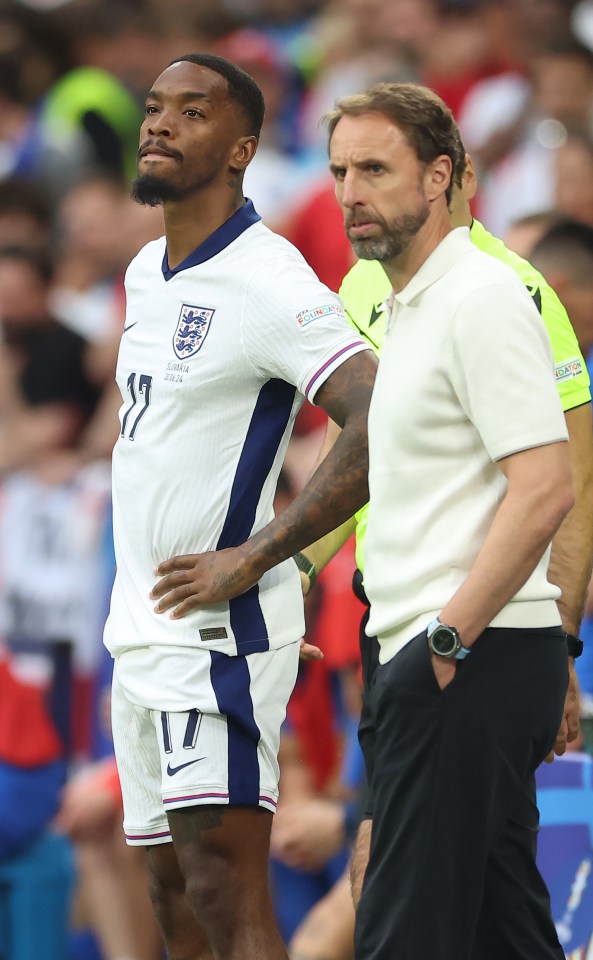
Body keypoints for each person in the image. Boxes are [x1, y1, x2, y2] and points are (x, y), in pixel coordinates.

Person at [103, 53, 377, 960]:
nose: (159, 124)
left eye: (191, 111)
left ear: (242, 149)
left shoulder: (268, 278)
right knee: (170, 890)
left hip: (213, 635)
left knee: (224, 887)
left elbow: (378, 416)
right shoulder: (147, 270)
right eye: (153, 108)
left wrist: (261, 558)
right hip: (140, 627)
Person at [324, 81, 574, 960]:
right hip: (455, 656)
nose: (350, 191)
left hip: (462, 657)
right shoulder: (409, 302)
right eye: (339, 171)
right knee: (502, 935)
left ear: (439, 177)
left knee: (403, 936)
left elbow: (546, 485)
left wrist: (442, 641)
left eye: (375, 169)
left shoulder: (481, 295)